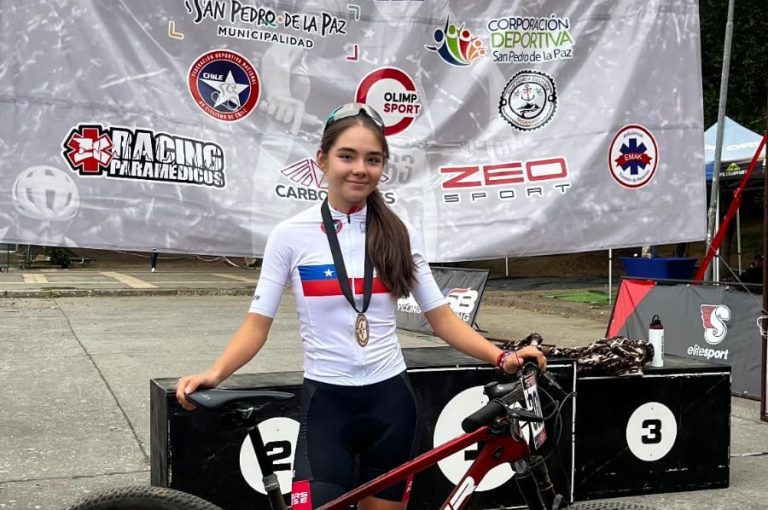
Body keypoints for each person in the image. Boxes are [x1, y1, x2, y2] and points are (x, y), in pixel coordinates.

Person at [176, 103, 546, 510]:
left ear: (383, 166)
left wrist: (502, 357)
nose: (359, 169)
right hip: (327, 406)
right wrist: (215, 373)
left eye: (372, 159)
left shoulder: (399, 233)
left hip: (391, 406)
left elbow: (441, 318)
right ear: (322, 160)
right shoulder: (290, 235)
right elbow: (256, 326)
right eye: (347, 156)